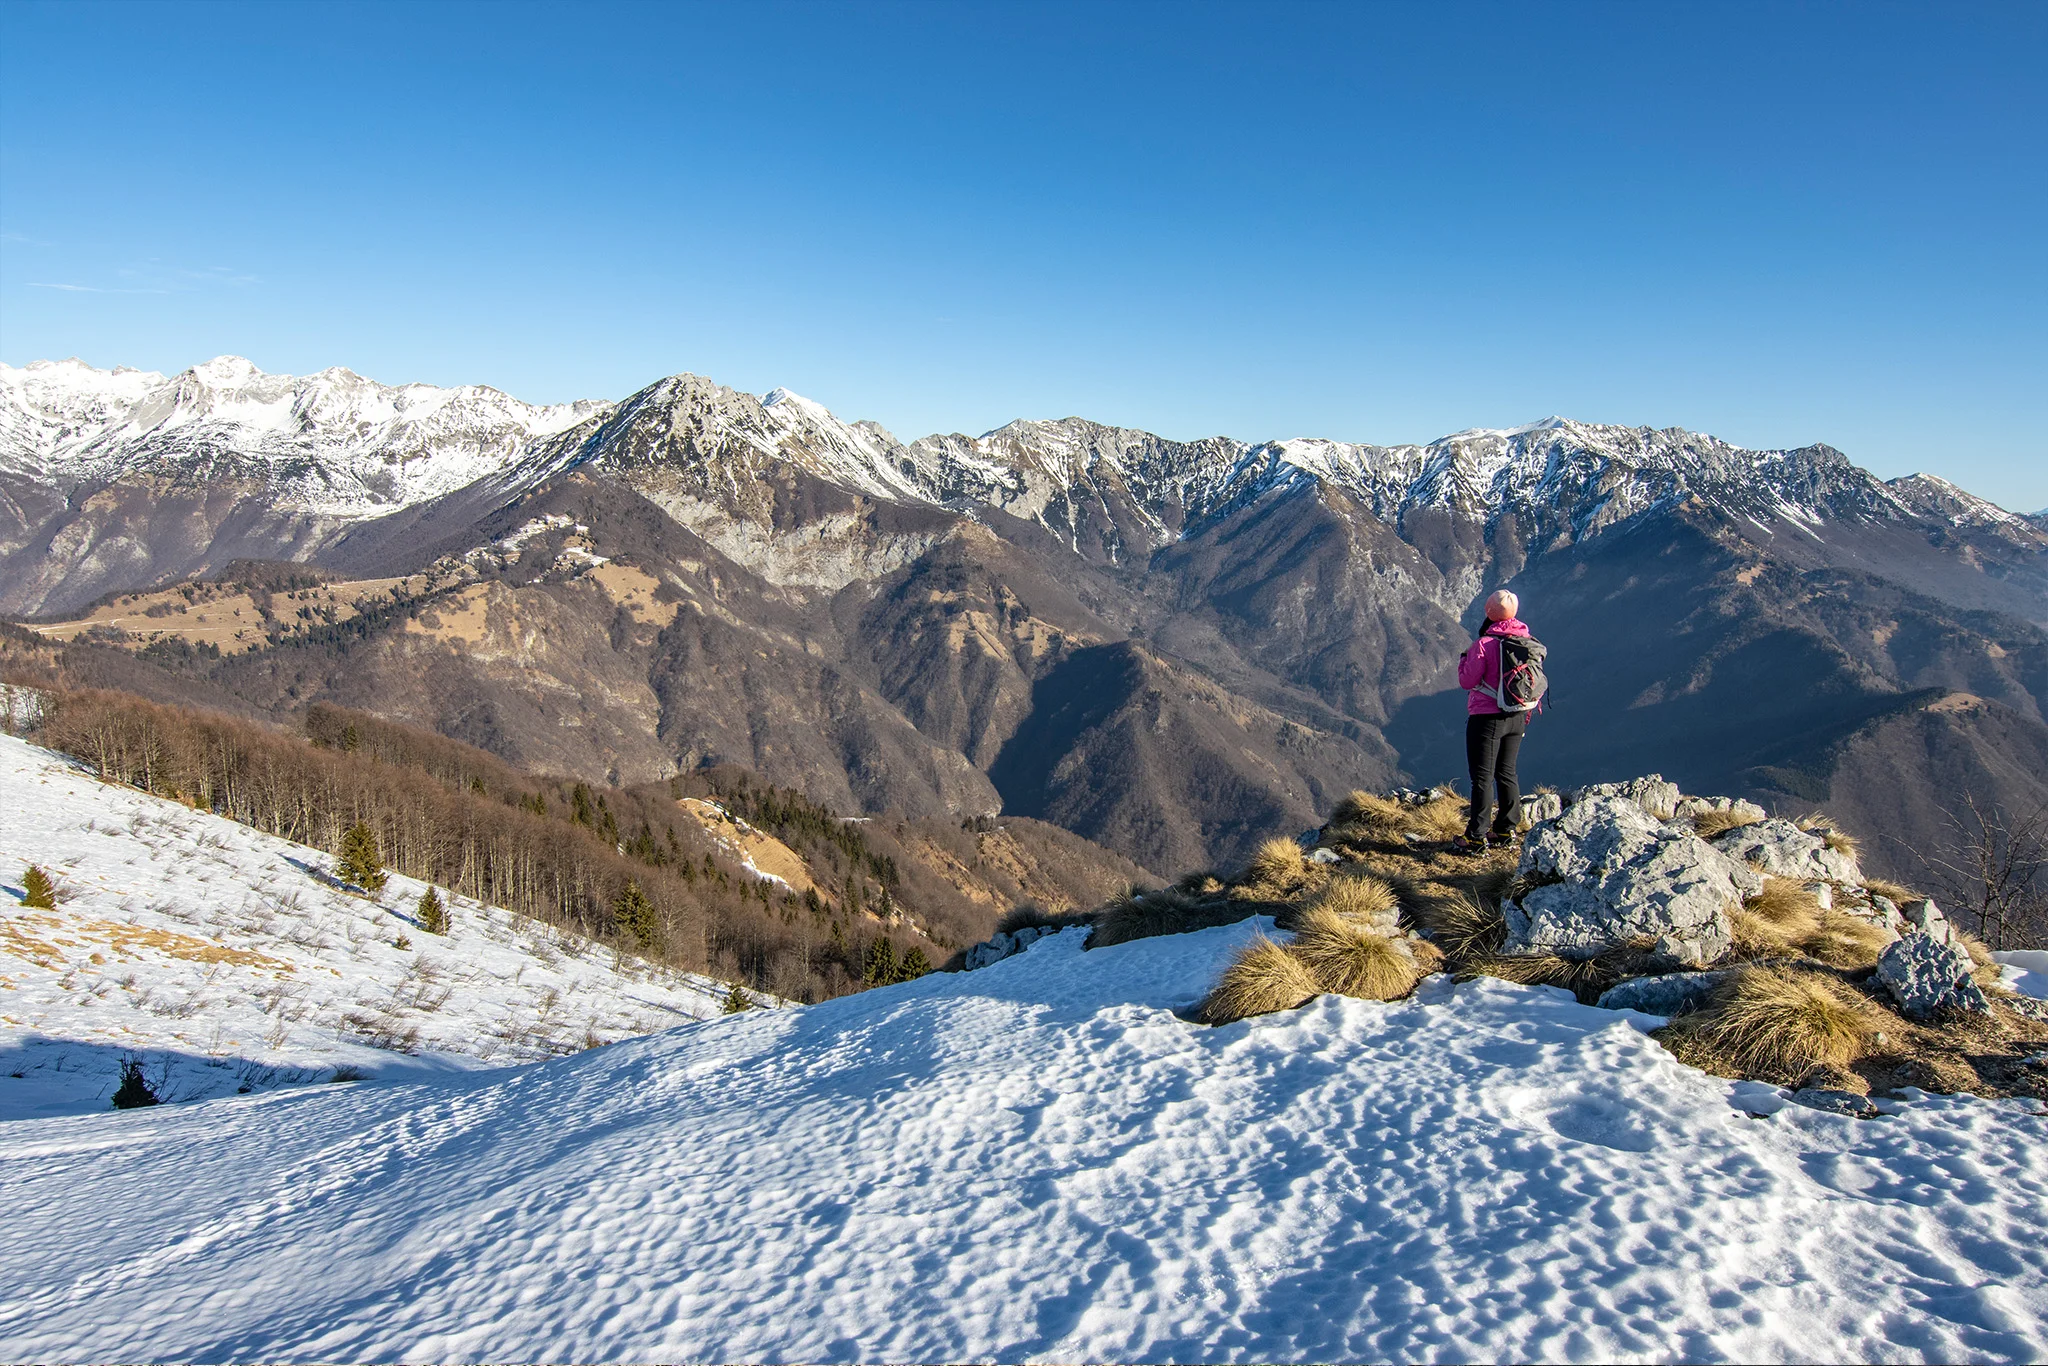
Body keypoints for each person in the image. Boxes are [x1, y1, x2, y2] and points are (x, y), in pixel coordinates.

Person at [1451, 589, 1532, 853]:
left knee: (1482, 778)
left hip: (1487, 718)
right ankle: (1507, 830)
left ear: (1488, 613)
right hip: (1518, 716)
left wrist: (1464, 661)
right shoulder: (1525, 641)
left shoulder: (1484, 645)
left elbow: (1467, 681)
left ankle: (1475, 837)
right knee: (1507, 773)